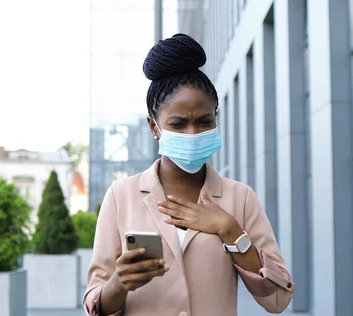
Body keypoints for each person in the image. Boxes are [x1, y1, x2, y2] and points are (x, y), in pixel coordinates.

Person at [83, 33, 294, 316]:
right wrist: (119, 283)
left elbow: (278, 299)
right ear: (154, 127)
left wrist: (230, 231)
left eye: (205, 121)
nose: (193, 134)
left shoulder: (239, 198)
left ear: (216, 117)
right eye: (179, 124)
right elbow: (95, 303)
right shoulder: (121, 197)